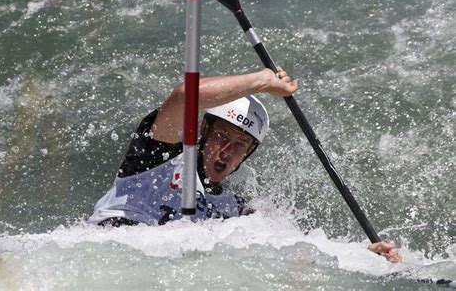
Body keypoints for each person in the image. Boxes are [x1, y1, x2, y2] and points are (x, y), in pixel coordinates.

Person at [88, 68, 401, 263]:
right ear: (203, 132)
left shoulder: (234, 211)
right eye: (221, 136)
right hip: (106, 252)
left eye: (240, 145)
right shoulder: (157, 156)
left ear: (248, 154)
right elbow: (183, 97)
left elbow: (292, 252)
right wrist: (261, 82)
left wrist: (361, 258)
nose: (226, 151)